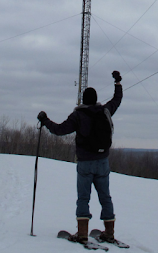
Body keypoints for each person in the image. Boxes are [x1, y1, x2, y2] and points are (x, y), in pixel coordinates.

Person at [37, 70, 123, 244]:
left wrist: (45, 120)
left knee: (83, 198)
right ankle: (109, 233)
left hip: (85, 163)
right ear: (96, 99)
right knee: (105, 197)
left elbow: (59, 130)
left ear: (84, 99)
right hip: (103, 161)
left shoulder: (78, 115)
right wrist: (118, 82)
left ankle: (82, 233)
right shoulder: (105, 111)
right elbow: (117, 100)